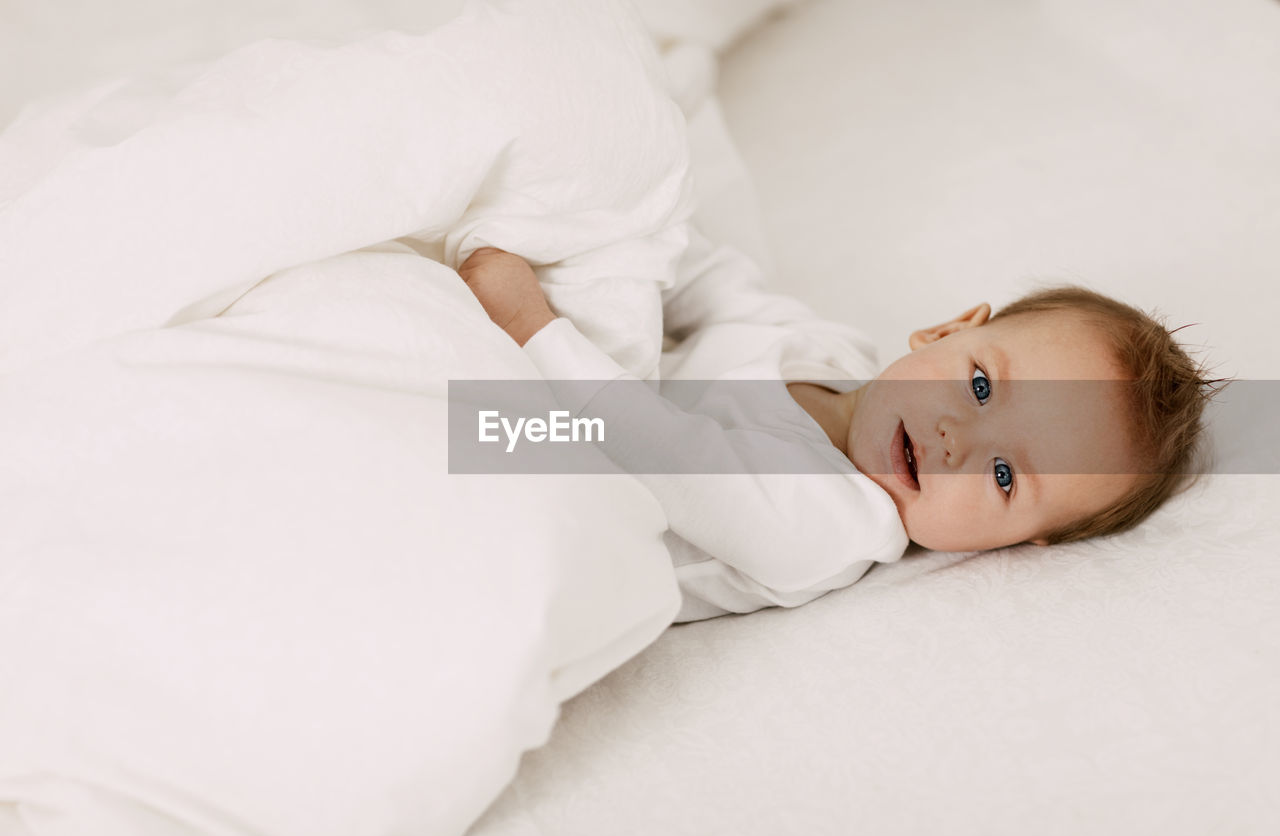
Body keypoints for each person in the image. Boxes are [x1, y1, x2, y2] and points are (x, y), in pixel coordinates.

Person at [457, 230, 1214, 622]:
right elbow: (712, 280)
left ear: (1019, 542)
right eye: (981, 384)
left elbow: (664, 453)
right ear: (945, 330)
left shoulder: (839, 526)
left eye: (1004, 475)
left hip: (535, 519)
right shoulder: (823, 350)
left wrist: (534, 325)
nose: (958, 440)